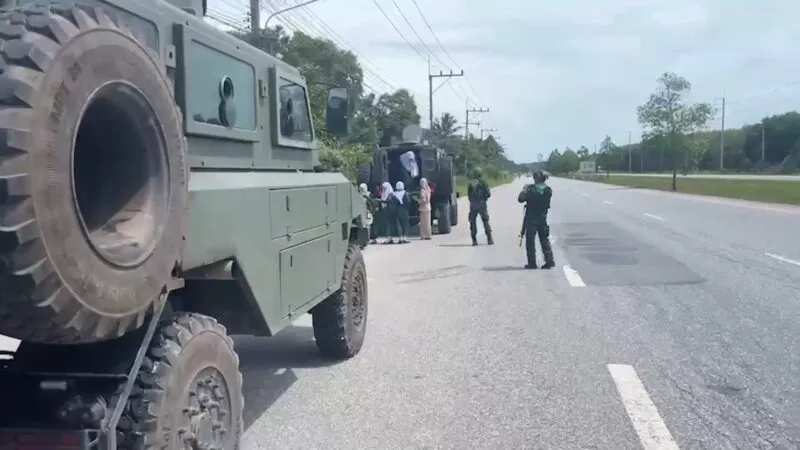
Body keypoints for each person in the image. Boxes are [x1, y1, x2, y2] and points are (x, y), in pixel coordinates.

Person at [517, 170, 555, 269]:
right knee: (544, 240)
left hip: (531, 218)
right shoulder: (548, 190)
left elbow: (520, 199)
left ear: (535, 178)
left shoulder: (530, 189)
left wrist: (524, 190)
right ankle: (549, 260)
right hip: (543, 217)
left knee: (530, 241)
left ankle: (532, 263)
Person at [467, 167, 493, 246]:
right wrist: (483, 199)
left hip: (473, 205)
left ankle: (474, 241)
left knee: (472, 222)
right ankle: (489, 239)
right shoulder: (483, 183)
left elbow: (469, 196)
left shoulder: (471, 184)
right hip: (482, 204)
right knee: (485, 221)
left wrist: (473, 201)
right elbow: (488, 194)